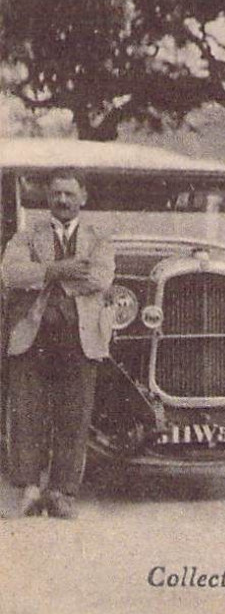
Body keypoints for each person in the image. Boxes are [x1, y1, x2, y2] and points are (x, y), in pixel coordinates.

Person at [1, 170, 115, 520]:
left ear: (83, 197)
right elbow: (10, 273)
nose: (62, 200)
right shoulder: (27, 235)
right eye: (55, 194)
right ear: (47, 198)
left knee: (74, 418)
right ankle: (29, 491)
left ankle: (63, 494)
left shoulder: (99, 239)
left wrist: (46, 274)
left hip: (81, 339)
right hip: (32, 338)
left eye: (68, 193)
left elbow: (100, 277)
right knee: (27, 417)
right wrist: (63, 269)